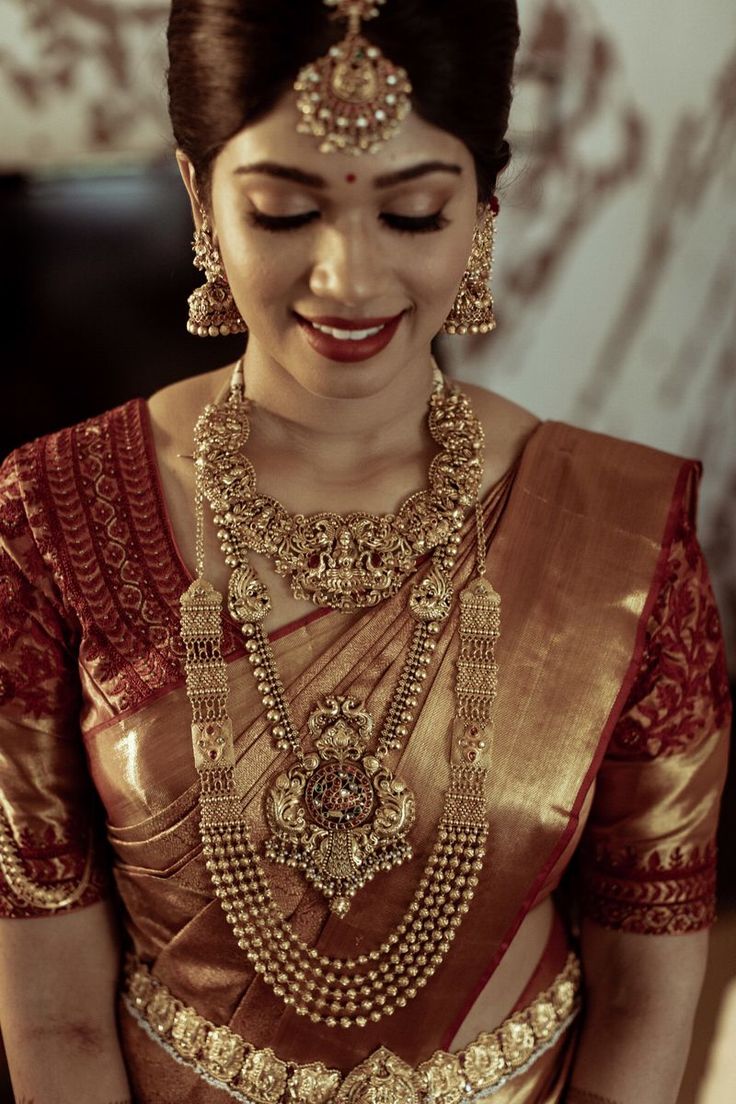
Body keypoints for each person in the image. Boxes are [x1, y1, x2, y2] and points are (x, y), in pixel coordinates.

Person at [0, 1, 730, 1102]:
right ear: (203, 202)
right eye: (286, 211)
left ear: (481, 212)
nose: (347, 277)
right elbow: (51, 1010)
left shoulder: (615, 529)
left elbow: (650, 968)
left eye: (414, 212)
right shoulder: (54, 513)